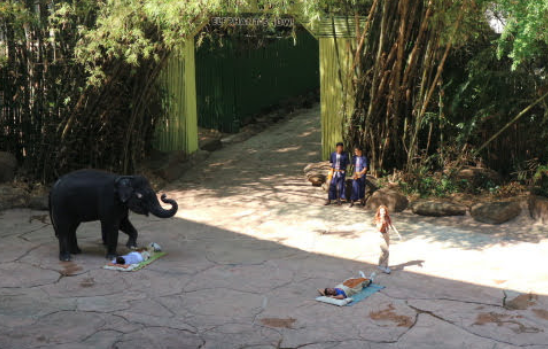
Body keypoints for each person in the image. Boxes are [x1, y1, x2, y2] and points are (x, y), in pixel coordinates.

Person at [374, 205, 402, 274]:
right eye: (381, 211)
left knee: (383, 252)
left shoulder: (387, 218)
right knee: (386, 251)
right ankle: (384, 267)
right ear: (379, 211)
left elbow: (392, 225)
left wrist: (398, 234)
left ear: (386, 211)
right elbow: (379, 229)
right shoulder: (378, 219)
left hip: (387, 235)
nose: (382, 212)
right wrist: (382, 220)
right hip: (381, 236)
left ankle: (381, 265)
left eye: (384, 211)